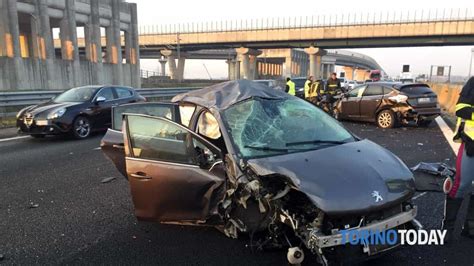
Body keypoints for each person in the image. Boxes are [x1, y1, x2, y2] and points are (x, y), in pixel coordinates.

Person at [444, 76, 474, 239]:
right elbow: (461, 109)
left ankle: (470, 228)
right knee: (462, 185)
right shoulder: (473, 82)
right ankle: (447, 229)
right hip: (471, 142)